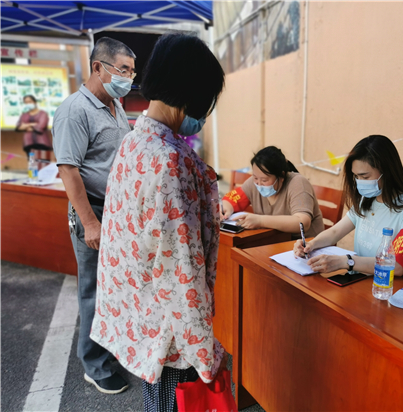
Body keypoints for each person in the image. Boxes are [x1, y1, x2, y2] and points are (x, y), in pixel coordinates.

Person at [88, 33, 227, 412]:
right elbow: (179, 269)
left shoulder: (135, 141)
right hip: (171, 330)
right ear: (192, 93)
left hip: (142, 316)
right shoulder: (169, 160)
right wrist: (204, 353)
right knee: (175, 402)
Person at [52, 37, 136, 394]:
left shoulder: (115, 105)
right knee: (93, 290)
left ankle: (109, 349)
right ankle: (94, 364)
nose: (130, 78)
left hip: (119, 212)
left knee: (115, 288)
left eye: (133, 71)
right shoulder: (75, 110)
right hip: (95, 212)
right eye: (124, 70)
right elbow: (69, 171)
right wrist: (90, 222)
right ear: (98, 67)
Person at [294, 135, 403, 280]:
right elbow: (335, 232)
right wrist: (311, 245)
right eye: (356, 176)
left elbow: (399, 265)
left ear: (387, 172)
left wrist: (346, 261)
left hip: (392, 288)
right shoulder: (367, 200)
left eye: (365, 177)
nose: (359, 182)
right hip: (362, 281)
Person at [221, 146, 324, 238]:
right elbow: (233, 198)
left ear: (281, 176)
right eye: (255, 177)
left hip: (306, 246)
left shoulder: (298, 183)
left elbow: (302, 223)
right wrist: (226, 208)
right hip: (274, 242)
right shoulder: (253, 183)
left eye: (264, 180)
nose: (259, 184)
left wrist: (260, 221)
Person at [15, 95, 52, 160]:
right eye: (26, 102)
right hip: (29, 144)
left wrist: (26, 125)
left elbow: (40, 127)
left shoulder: (42, 114)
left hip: (42, 144)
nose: (28, 103)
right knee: (33, 167)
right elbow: (18, 127)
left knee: (43, 165)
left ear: (34, 102)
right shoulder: (24, 115)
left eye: (30, 101)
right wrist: (32, 124)